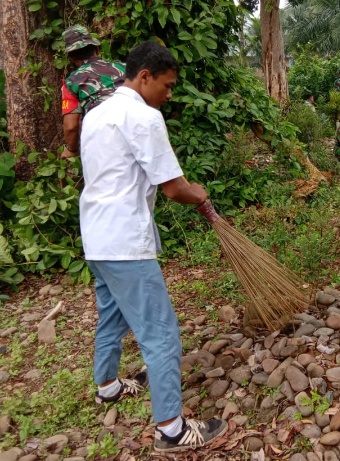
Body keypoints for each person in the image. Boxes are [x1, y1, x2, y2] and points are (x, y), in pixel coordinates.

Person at [79, 41, 227, 452]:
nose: (169, 94)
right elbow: (174, 188)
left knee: (111, 315)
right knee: (161, 335)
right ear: (145, 76)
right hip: (125, 242)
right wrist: (199, 195)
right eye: (167, 85)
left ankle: (108, 386)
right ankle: (172, 430)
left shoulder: (97, 113)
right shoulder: (143, 116)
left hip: (95, 237)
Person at [60, 25, 125, 159]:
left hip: (103, 138)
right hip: (137, 126)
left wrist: (71, 150)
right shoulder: (124, 68)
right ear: (97, 49)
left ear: (71, 57)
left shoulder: (72, 82)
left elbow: (71, 126)